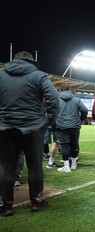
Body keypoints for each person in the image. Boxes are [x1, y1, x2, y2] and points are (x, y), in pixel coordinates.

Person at [0, 51, 59, 217]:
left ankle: (6, 205)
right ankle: (37, 201)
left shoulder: (1, 75)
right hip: (32, 128)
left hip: (6, 128)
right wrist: (47, 122)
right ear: (32, 61)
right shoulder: (39, 76)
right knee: (35, 166)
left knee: (5, 167)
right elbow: (53, 100)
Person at [55, 83, 88, 173]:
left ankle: (66, 167)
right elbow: (84, 110)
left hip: (62, 125)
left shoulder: (57, 99)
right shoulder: (76, 99)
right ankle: (73, 164)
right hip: (74, 125)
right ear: (69, 89)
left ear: (60, 90)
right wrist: (81, 119)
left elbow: (51, 110)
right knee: (74, 145)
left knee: (64, 146)